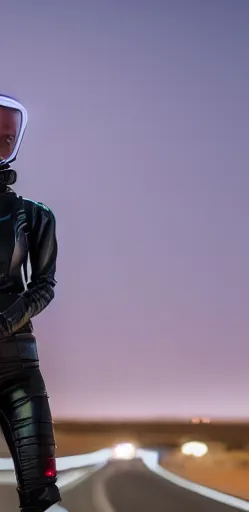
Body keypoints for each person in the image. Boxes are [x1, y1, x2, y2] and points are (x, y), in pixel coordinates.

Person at [0, 95, 66, 511]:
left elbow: (44, 285)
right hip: (17, 354)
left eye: (7, 138)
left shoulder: (35, 215)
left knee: (41, 495)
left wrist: (5, 322)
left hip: (17, 367)